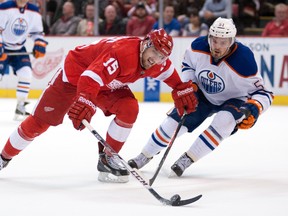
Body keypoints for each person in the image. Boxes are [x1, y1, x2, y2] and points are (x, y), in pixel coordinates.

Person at [0, 29, 198, 183]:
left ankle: (107, 158)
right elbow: (89, 78)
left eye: (161, 56)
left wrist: (181, 89)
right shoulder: (123, 53)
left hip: (104, 83)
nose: (155, 59)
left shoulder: (157, 62)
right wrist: (85, 100)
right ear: (145, 44)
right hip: (76, 76)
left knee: (129, 107)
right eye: (154, 52)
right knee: (40, 122)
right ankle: (3, 157)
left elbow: (172, 77)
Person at [128, 17, 274, 177]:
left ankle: (187, 159)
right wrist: (190, 84)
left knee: (225, 121)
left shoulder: (244, 60)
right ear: (209, 37)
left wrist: (254, 107)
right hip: (203, 94)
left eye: (223, 42)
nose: (217, 47)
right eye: (214, 40)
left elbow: (264, 93)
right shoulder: (198, 46)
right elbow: (187, 65)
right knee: (174, 122)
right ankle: (144, 155)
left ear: (232, 41)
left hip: (234, 99)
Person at [0, 0, 48, 120]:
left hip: (19, 48)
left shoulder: (34, 11)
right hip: (3, 46)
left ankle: (20, 106)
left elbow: (37, 32)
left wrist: (39, 43)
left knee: (26, 73)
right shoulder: (4, 7)